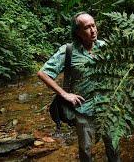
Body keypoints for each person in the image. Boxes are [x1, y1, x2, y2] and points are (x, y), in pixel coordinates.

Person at [37, 12, 121, 162]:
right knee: (86, 149)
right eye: (87, 27)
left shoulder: (105, 47)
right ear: (77, 32)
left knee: (113, 146)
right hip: (83, 109)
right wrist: (64, 94)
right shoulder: (68, 51)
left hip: (107, 106)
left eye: (94, 25)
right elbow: (43, 74)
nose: (93, 30)